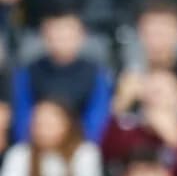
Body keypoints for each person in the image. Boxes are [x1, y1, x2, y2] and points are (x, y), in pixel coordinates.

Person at [11, 8, 113, 144]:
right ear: (45, 36)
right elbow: (22, 118)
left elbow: (97, 121)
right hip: (35, 147)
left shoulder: (95, 74)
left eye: (68, 35)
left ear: (81, 36)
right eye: (57, 34)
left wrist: (75, 147)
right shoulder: (29, 72)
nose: (62, 41)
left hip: (79, 148)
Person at [114, 0, 177, 114]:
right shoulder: (127, 74)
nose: (156, 41)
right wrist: (124, 99)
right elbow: (106, 123)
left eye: (162, 33)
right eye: (150, 33)